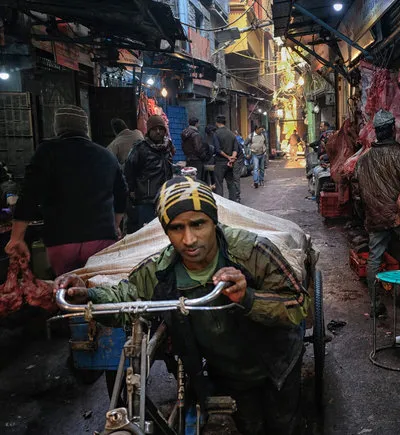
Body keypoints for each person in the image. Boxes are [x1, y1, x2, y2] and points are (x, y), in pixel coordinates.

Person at [55, 176, 308, 434]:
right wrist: (89, 295)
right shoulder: (160, 271)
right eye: (176, 228)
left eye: (198, 224)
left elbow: (297, 304)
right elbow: (126, 297)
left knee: (282, 424)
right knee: (249, 424)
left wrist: (248, 298)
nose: (189, 239)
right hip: (230, 373)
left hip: (276, 365)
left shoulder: (253, 252)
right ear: (166, 231)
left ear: (214, 222)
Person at [5, 105, 128, 275]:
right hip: (101, 237)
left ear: (57, 127)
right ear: (86, 128)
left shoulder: (47, 152)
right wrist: (115, 224)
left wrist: (16, 237)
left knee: (66, 290)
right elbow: (122, 194)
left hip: (62, 240)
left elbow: (29, 194)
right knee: (99, 291)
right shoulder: (106, 155)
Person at [353, 110, 400, 317]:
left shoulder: (362, 160)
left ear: (377, 132)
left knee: (375, 259)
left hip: (376, 218)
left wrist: (366, 216)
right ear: (393, 130)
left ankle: (375, 304)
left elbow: (357, 194)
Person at [124, 115, 174, 232]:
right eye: (154, 129)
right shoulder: (140, 149)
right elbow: (129, 171)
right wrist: (132, 191)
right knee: (148, 232)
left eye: (160, 129)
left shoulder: (168, 147)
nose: (158, 132)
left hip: (164, 197)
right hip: (146, 200)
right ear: (149, 130)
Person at [213, 115, 240, 202]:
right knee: (230, 183)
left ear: (217, 123)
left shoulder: (216, 133)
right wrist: (232, 158)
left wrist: (228, 157)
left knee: (219, 183)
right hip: (230, 163)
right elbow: (236, 149)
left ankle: (221, 203)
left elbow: (218, 150)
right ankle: (233, 201)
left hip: (220, 162)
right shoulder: (231, 134)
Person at [181, 117, 212, 181]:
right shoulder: (195, 135)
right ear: (196, 124)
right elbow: (198, 149)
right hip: (196, 160)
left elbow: (183, 146)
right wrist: (204, 157)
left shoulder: (184, 134)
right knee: (197, 179)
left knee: (189, 178)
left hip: (188, 159)